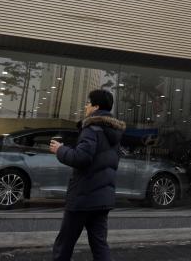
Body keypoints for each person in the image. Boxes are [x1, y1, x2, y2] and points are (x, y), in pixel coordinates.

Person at [49, 89, 125, 261]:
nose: (86, 106)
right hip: (102, 199)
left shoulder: (92, 128)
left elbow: (82, 158)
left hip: (83, 197)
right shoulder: (113, 133)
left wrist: (60, 150)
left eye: (88, 103)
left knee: (64, 245)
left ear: (96, 107)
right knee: (100, 246)